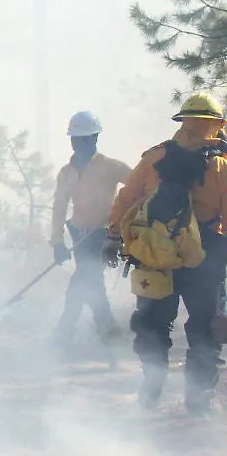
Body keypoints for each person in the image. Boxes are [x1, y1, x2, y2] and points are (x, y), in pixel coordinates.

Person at [108, 92, 227, 415]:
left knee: (151, 322)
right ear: (218, 123)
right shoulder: (222, 163)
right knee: (204, 327)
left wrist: (113, 235)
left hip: (154, 252)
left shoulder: (155, 157)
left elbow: (127, 197)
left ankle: (153, 378)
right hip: (204, 256)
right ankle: (198, 396)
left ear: (182, 123)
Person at [49, 111, 132, 345]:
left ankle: (63, 334)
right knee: (91, 282)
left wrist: (122, 212)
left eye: (85, 138)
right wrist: (57, 242)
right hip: (79, 236)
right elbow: (58, 208)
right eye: (75, 138)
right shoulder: (66, 173)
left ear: (95, 138)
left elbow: (139, 185)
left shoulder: (111, 167)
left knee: (83, 280)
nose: (79, 144)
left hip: (104, 236)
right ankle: (109, 333)